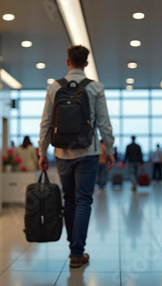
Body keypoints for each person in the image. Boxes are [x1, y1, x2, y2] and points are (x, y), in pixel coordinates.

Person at [38, 45, 115, 268]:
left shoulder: (53, 88)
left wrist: (42, 152)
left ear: (67, 62)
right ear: (87, 64)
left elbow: (46, 123)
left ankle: (74, 248)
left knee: (69, 200)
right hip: (88, 152)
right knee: (84, 201)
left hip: (62, 153)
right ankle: (76, 251)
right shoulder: (95, 88)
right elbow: (104, 123)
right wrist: (108, 150)